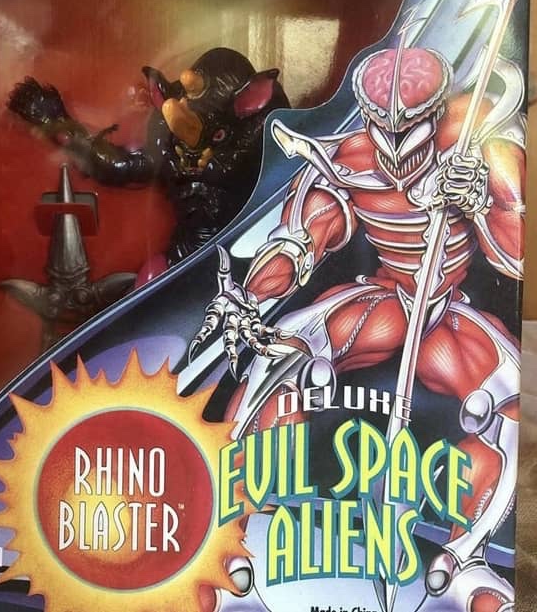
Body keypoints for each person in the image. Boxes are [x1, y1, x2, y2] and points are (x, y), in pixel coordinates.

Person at [192, 44, 524, 612]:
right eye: (383, 129)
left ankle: (465, 557)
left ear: (435, 112)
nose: (396, 146)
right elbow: (300, 242)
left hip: (447, 310)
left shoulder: (480, 142)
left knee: (510, 400)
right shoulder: (349, 157)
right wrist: (250, 296)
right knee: (280, 363)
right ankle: (229, 540)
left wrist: (480, 202)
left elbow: (517, 260)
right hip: (383, 300)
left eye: (410, 129)